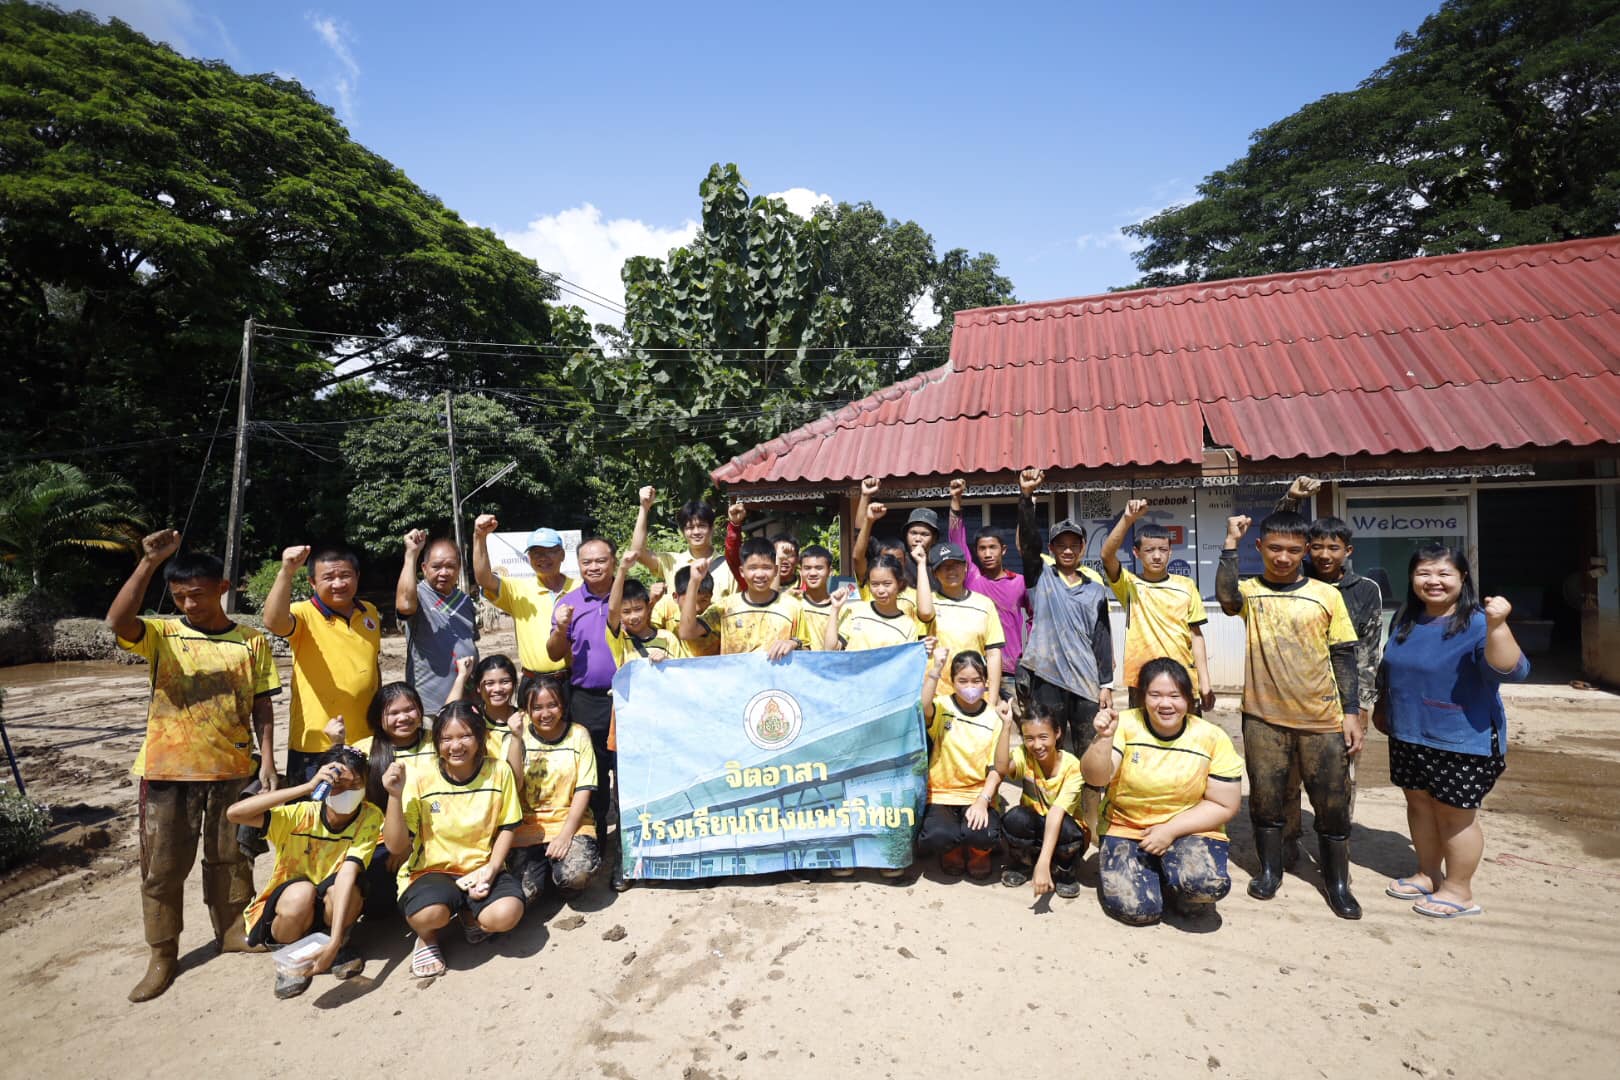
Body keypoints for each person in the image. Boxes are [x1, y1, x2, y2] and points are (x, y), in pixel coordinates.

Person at [107, 530, 280, 1002]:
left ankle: (229, 931)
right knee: (162, 869)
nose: (188, 604)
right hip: (167, 773)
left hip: (234, 768)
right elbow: (117, 620)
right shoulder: (163, 634)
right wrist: (147, 564)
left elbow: (263, 704)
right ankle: (162, 954)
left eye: (197, 594)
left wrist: (267, 760)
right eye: (180, 596)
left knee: (231, 858)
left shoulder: (251, 642)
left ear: (222, 588)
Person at [1217, 511, 1363, 919]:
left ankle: (1337, 883)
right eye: (1275, 549)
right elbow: (1226, 598)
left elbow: (1344, 655)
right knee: (1266, 802)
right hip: (1263, 718)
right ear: (1260, 548)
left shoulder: (1325, 594)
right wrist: (1230, 543)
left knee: (1333, 804)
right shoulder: (1250, 592)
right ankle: (1270, 870)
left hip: (1322, 719)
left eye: (1294, 551)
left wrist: (1350, 712)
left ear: (1306, 553)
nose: (1284, 558)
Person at [1376, 545, 1528, 919]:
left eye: (1444, 574)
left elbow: (1512, 669)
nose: (1433, 581)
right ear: (1412, 579)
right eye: (1424, 573)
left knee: (1455, 815)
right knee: (1420, 806)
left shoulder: (1478, 622)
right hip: (1409, 733)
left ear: (1463, 579)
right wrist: (1383, 706)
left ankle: (1459, 890)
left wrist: (1499, 626)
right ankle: (1428, 874)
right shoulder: (1405, 619)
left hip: (1462, 738)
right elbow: (1391, 670)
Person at [1273, 476, 1386, 866]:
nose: (1323, 554)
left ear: (1347, 550)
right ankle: (1287, 840)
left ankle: (1336, 847)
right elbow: (1278, 533)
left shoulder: (1365, 590)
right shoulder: (1292, 578)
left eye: (1332, 547)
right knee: (1286, 777)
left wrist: (1363, 705)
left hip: (1342, 701)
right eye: (1316, 546)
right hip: (1292, 695)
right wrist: (1291, 499)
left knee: (1338, 782)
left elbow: (1369, 651)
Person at [1082, 658, 1243, 926]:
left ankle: (1178, 887)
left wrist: (1169, 831)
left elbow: (1225, 805)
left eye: (1175, 696)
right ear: (1142, 697)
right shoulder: (1123, 725)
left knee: (1203, 886)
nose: (1165, 704)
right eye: (1155, 695)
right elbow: (1094, 777)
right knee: (1139, 911)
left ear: (1188, 700)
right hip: (1126, 826)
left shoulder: (1212, 737)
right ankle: (1152, 872)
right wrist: (1104, 738)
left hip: (1188, 830)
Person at [382, 701, 524, 979]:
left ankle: (470, 914)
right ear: (436, 742)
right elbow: (397, 847)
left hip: (481, 866)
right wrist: (394, 796)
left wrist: (491, 870)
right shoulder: (421, 777)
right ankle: (427, 937)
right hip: (432, 870)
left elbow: (508, 826)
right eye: (446, 738)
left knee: (507, 914)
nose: (455, 746)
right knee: (429, 914)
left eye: (465, 736)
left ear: (480, 738)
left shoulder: (499, 771)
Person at [227, 746, 380, 997]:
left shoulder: (369, 817)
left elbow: (347, 874)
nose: (347, 792)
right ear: (325, 784)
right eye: (338, 785)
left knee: (350, 889)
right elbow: (235, 814)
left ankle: (339, 944)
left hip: (333, 903)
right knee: (301, 894)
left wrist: (335, 940)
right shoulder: (300, 815)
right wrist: (306, 788)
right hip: (291, 906)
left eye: (356, 785)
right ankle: (291, 957)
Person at [1015, 469, 1114, 831]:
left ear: (1082, 547)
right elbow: (1028, 542)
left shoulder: (1095, 588)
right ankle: (1047, 818)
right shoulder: (1040, 577)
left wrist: (1107, 683)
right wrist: (1026, 499)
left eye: (1075, 544)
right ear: (1053, 549)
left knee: (1090, 759)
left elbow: (1102, 638)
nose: (1068, 549)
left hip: (1087, 685)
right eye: (1061, 544)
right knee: (1048, 753)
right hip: (1047, 679)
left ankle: (1089, 824)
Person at [263, 543, 382, 783]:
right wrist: (286, 571)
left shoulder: (368, 611)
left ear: (357, 576)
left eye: (345, 575)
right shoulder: (303, 613)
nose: (338, 583)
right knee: (313, 813)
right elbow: (274, 622)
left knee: (361, 811)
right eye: (329, 577)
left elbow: (373, 665)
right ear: (313, 583)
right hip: (316, 741)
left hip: (365, 738)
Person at [1099, 499, 1213, 711]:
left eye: (1163, 549)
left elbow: (1196, 636)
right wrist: (1127, 519)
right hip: (1142, 680)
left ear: (1171, 551)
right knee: (1143, 741)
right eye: (1150, 550)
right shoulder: (1129, 585)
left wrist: (1205, 684)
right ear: (1136, 552)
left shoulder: (1186, 586)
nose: (1157, 556)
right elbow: (1107, 555)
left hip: (1182, 678)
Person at [504, 673, 602, 903]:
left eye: (552, 705)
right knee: (523, 894)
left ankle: (559, 877)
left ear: (562, 706)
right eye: (537, 707)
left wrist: (566, 834)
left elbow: (584, 788)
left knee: (574, 876)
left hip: (572, 823)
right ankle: (544, 874)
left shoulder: (578, 734)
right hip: (527, 827)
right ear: (526, 710)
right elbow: (514, 785)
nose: (545, 714)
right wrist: (516, 739)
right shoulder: (517, 736)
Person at [548, 537, 620, 834]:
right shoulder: (568, 603)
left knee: (631, 771)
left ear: (614, 561)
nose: (594, 567)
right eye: (587, 562)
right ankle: (599, 837)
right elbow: (553, 653)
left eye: (601, 560)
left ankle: (632, 845)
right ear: (578, 565)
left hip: (630, 699)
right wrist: (563, 625)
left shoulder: (628, 594)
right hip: (587, 701)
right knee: (595, 774)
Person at [917, 648, 1003, 880]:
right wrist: (935, 669)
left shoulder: (995, 718)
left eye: (976, 680)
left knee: (982, 834)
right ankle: (952, 849)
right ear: (952, 682)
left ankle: (978, 853)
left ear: (986, 681)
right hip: (942, 793)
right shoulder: (942, 706)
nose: (970, 686)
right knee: (938, 835)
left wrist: (983, 801)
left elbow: (998, 767)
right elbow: (923, 705)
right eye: (962, 680)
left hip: (977, 795)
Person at [352, 682, 435, 915]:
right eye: (393, 713)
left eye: (409, 709)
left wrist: (411, 844)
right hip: (383, 840)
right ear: (379, 718)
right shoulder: (364, 751)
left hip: (434, 833)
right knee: (378, 905)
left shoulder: (438, 742)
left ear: (420, 711)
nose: (403, 718)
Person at [994, 700, 1088, 900]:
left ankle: (1065, 870)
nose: (1037, 745)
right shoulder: (1023, 755)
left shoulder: (1073, 767)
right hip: (1035, 828)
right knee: (1015, 818)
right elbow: (1001, 769)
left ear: (1058, 733)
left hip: (1063, 832)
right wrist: (1006, 726)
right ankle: (1024, 861)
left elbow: (1056, 812)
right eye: (1029, 738)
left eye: (1043, 737)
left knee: (1067, 829)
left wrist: (1044, 864)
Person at [947, 478, 1031, 696]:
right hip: (976, 671)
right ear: (975, 552)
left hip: (1013, 671)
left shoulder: (1019, 582)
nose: (987, 553)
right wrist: (956, 501)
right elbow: (956, 541)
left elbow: (1035, 618)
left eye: (992, 547)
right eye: (982, 548)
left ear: (1003, 550)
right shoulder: (972, 578)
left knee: (1020, 726)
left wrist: (1031, 653)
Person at [472, 514, 577, 681]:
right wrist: (479, 536)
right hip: (533, 681)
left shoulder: (580, 588)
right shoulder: (518, 589)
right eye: (536, 553)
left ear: (562, 555)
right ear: (529, 558)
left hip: (573, 680)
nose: (542, 557)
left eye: (550, 551)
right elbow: (484, 579)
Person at [395, 529, 477, 716]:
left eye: (450, 566)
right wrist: (411, 554)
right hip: (430, 706)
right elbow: (405, 606)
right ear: (424, 568)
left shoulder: (464, 600)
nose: (444, 572)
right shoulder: (419, 596)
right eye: (437, 566)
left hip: (468, 700)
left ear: (459, 569)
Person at [679, 539, 807, 659]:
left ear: (776, 570)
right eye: (753, 568)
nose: (760, 574)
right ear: (741, 571)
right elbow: (686, 633)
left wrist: (793, 643)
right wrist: (694, 582)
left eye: (766, 568)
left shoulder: (792, 607)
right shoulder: (725, 607)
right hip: (737, 681)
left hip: (776, 682)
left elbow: (808, 650)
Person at [926, 540, 1005, 702]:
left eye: (956, 565)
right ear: (934, 573)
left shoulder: (984, 604)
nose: (951, 571)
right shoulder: (926, 607)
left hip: (976, 696)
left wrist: (992, 699)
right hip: (938, 698)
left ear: (966, 567)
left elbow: (993, 654)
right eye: (944, 566)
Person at [631, 486, 738, 599]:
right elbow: (637, 552)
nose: (696, 532)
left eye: (702, 526)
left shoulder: (729, 566)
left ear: (712, 529)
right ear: (682, 531)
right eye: (690, 528)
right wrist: (644, 507)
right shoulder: (671, 562)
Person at [823, 551, 934, 653]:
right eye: (875, 584)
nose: (880, 590)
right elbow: (830, 650)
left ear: (899, 583)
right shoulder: (855, 611)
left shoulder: (908, 626)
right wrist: (835, 609)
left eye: (887, 584)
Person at [449, 654, 519, 759]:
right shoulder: (473, 720)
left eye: (505, 682)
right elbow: (447, 716)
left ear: (514, 684)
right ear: (478, 687)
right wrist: (462, 676)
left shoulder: (525, 719)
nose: (497, 689)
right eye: (490, 683)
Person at [793, 544, 839, 650]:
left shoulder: (841, 609)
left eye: (819, 568)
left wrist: (836, 609)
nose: (813, 573)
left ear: (830, 572)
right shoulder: (793, 603)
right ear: (801, 572)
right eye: (807, 568)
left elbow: (834, 650)